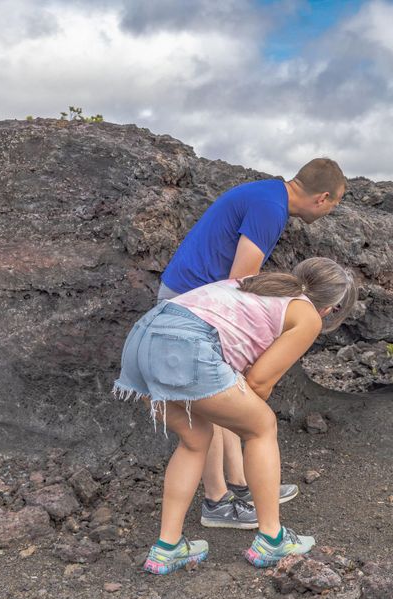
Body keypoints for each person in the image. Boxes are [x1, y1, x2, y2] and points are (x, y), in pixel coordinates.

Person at [113, 257, 357, 574]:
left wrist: (228, 408)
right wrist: (242, 417)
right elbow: (259, 381)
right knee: (262, 426)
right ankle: (272, 539)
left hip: (143, 340)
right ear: (332, 307)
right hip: (185, 345)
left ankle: (166, 548)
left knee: (195, 439)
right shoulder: (308, 315)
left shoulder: (261, 284)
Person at [158, 158, 346, 529]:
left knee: (226, 396)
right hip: (191, 306)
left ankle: (244, 485)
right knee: (213, 404)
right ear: (323, 198)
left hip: (192, 300)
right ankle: (217, 501)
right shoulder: (269, 207)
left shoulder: (268, 196)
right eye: (335, 205)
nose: (330, 212)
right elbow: (241, 280)